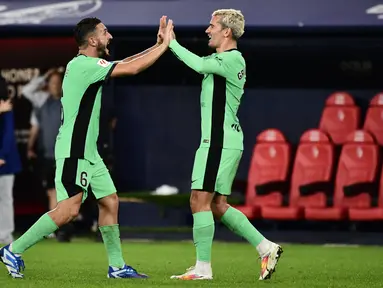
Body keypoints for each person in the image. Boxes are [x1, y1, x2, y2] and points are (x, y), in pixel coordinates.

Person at [0, 16, 174, 279]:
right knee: (68, 211)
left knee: (109, 201)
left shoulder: (90, 64)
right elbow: (132, 69)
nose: (110, 36)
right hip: (74, 150)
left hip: (89, 152)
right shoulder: (83, 66)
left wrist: (156, 44)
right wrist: (165, 47)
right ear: (92, 40)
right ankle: (14, 249)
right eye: (105, 32)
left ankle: (116, 267)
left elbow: (124, 63)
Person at [167, 9, 282, 281]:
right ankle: (266, 247)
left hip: (218, 143)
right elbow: (203, 64)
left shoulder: (232, 59)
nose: (207, 30)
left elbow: (198, 65)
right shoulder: (224, 58)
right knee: (217, 205)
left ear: (226, 31)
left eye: (212, 25)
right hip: (222, 141)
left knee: (199, 200)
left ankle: (203, 268)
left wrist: (170, 43)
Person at [23, 69, 64, 240]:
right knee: (52, 193)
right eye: (51, 83)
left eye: (57, 82)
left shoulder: (68, 101)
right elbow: (26, 91)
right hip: (47, 156)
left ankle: (61, 226)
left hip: (65, 155)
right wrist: (30, 147)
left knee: (63, 193)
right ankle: (55, 227)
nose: (54, 86)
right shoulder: (41, 102)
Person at [0, 77, 22, 245]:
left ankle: (5, 234)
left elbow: (8, 134)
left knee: (6, 198)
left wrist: (2, 155)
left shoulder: (6, 105)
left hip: (5, 162)